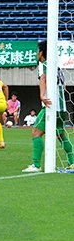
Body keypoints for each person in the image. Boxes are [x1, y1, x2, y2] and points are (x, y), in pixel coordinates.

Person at [23, 40, 74, 172]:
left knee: (36, 132)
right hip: (62, 107)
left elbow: (43, 78)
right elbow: (64, 86)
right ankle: (72, 162)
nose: (36, 54)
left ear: (41, 53)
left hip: (51, 105)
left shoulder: (45, 64)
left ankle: (36, 165)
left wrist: (41, 95)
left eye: (37, 52)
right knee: (61, 134)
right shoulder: (58, 67)